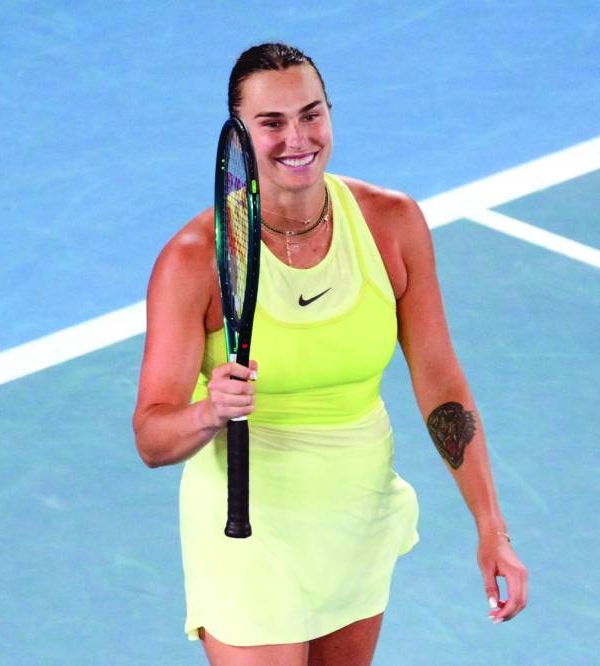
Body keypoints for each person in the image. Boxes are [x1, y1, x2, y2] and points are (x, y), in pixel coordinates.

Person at [132, 42, 527, 665]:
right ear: (239, 134)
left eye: (311, 114)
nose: (298, 138)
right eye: (272, 123)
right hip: (248, 534)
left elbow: (441, 384)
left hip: (354, 519)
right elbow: (152, 436)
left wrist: (490, 527)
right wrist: (210, 411)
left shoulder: (391, 225)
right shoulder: (193, 261)